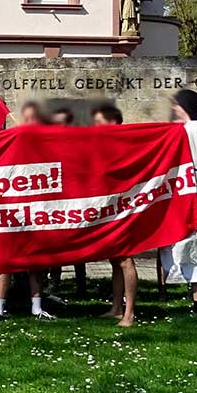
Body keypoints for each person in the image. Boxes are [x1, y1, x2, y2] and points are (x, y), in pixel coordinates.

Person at [160, 89, 197, 316]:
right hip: (180, 197)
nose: (173, 109)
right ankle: (190, 296)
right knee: (179, 246)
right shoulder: (177, 131)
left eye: (178, 105)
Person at [90, 104, 141, 326]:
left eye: (99, 122)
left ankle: (129, 313)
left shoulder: (123, 142)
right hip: (109, 206)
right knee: (115, 260)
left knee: (125, 259)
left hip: (123, 207)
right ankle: (117, 308)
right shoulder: (103, 144)